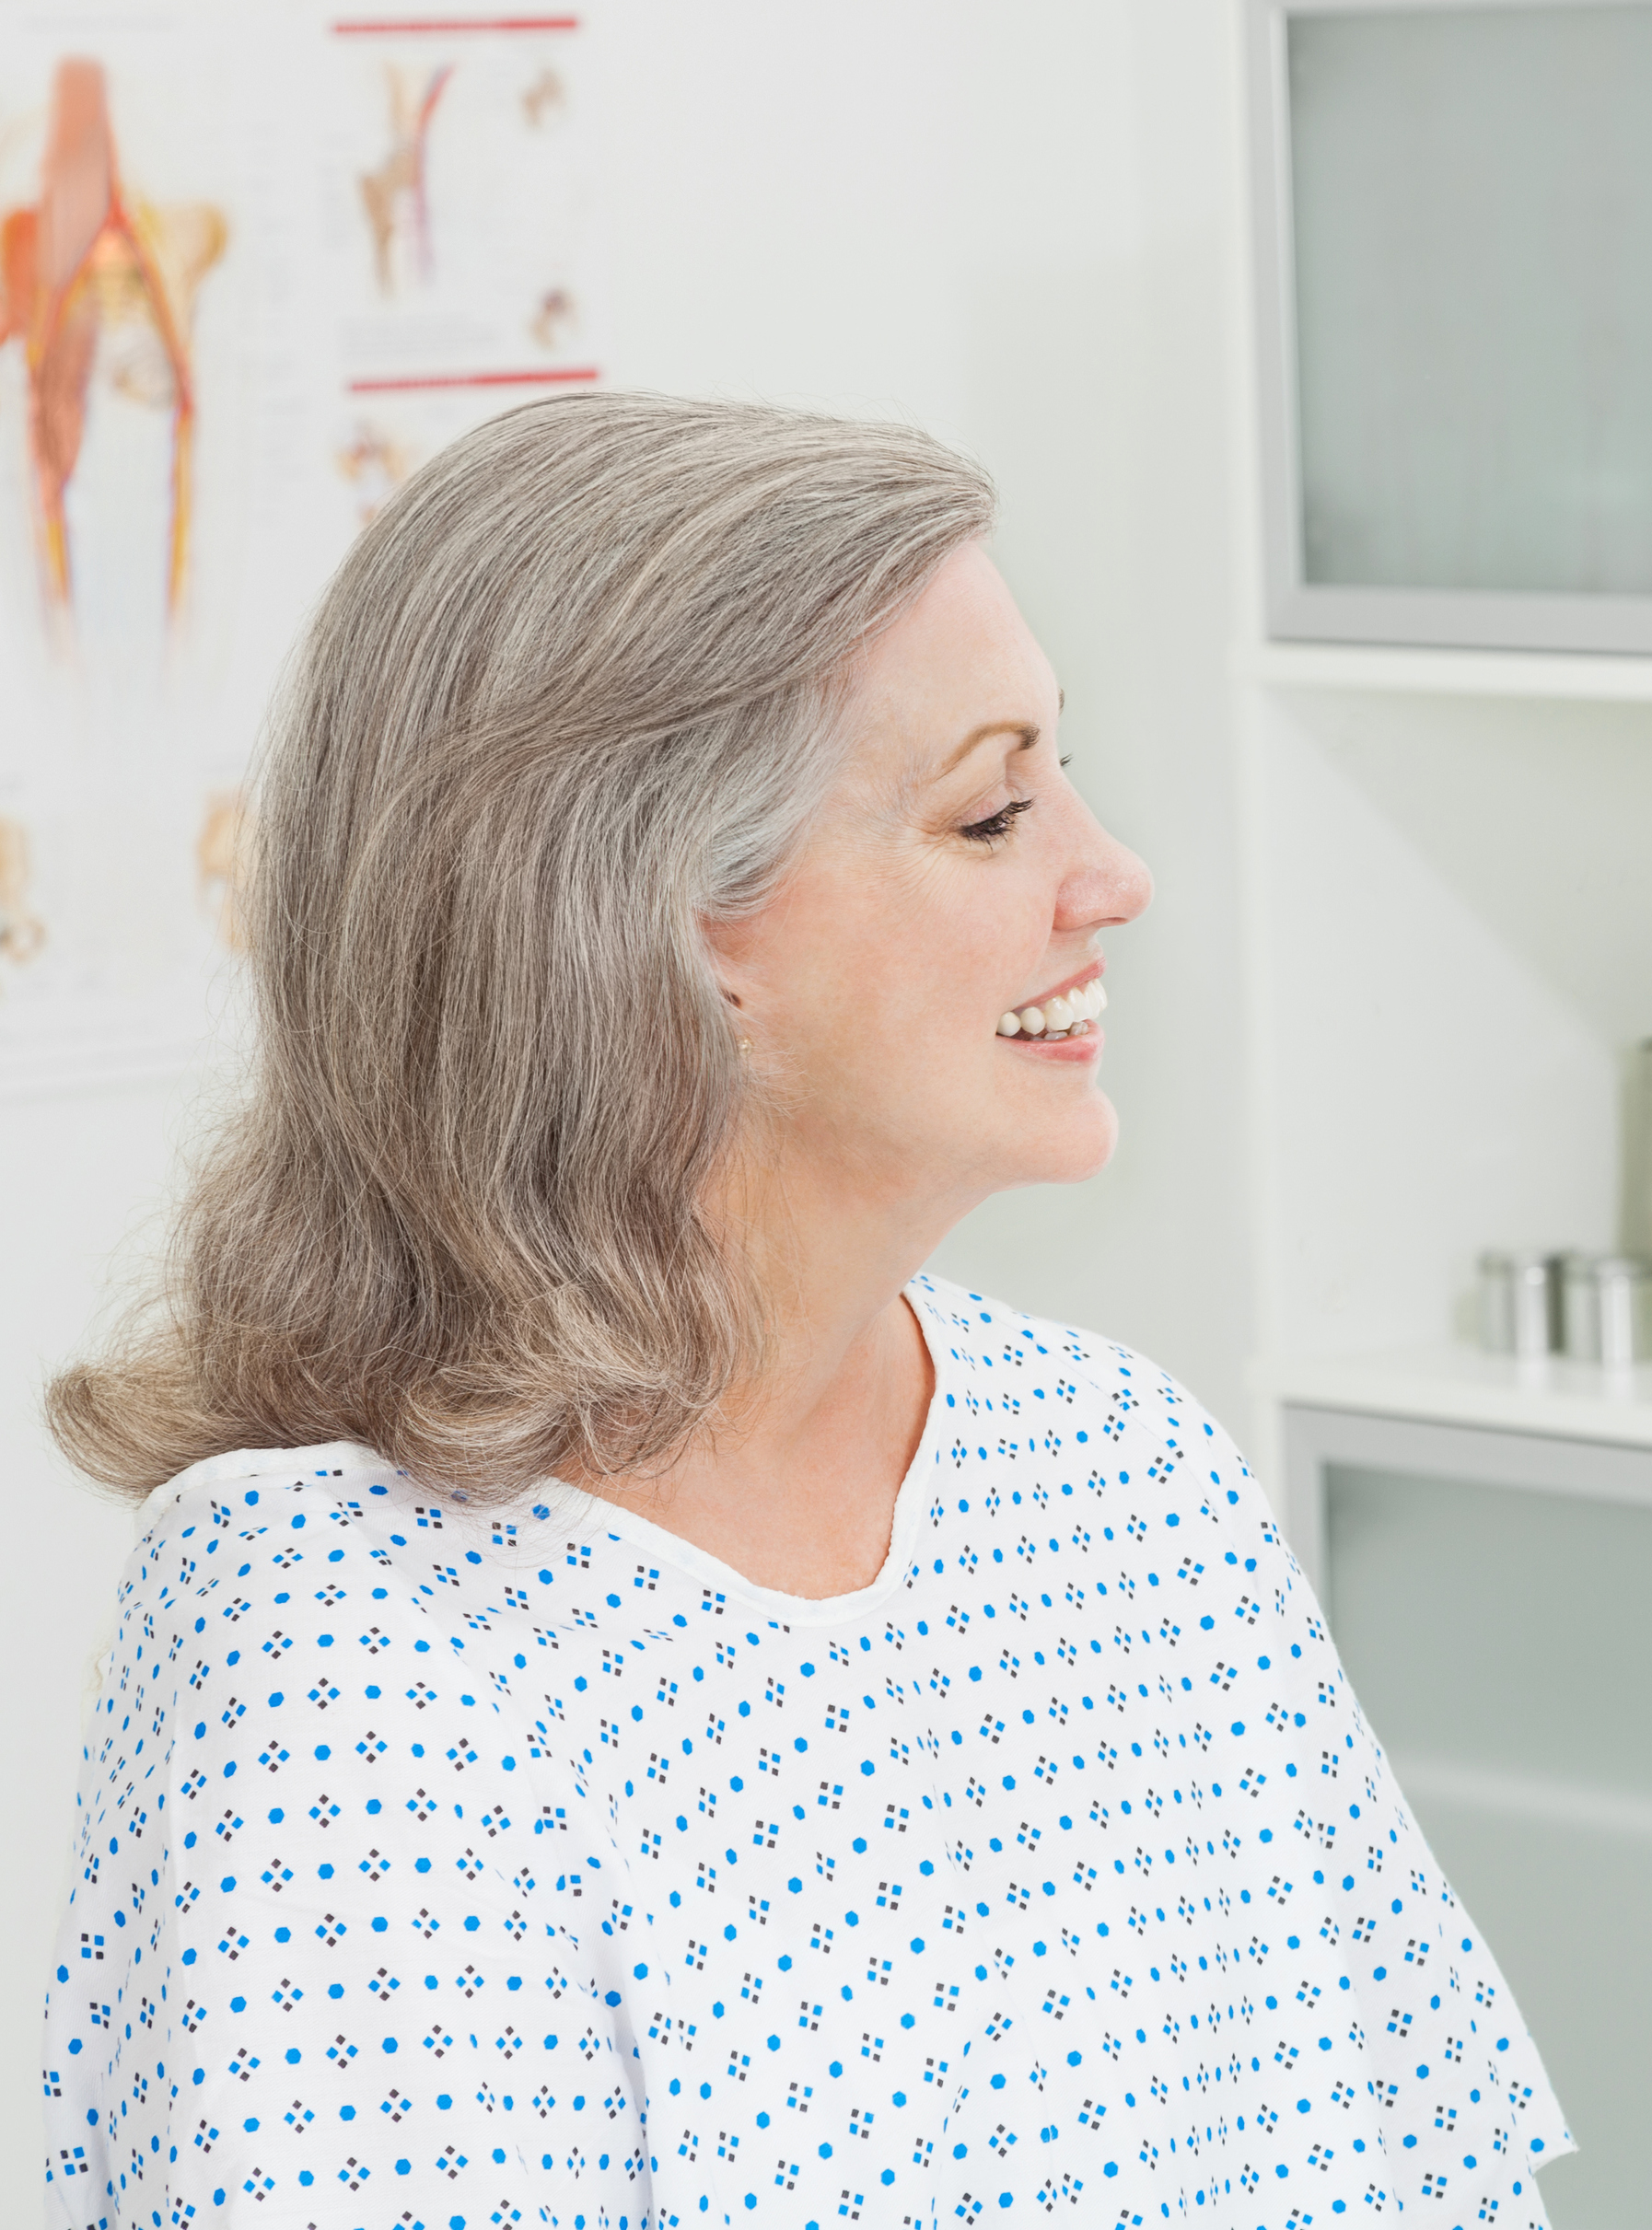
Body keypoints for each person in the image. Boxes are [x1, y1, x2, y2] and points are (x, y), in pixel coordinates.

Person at [41, 395, 1567, 2227]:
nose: (1110, 873)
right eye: (991, 809)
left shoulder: (1130, 1475)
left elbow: (1426, 2182)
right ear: (669, 923)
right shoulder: (334, 1626)